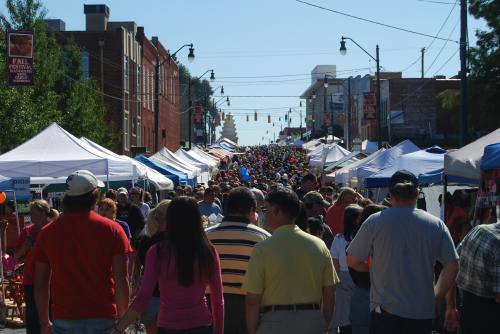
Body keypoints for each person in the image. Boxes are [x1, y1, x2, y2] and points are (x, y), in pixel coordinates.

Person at [347, 170, 459, 334]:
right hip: (422, 313)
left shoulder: (376, 221)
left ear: (390, 195)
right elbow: (453, 266)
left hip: (386, 313)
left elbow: (353, 261)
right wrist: (437, 295)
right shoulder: (436, 224)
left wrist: (379, 268)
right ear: (417, 195)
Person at [34, 170, 132, 334]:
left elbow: (41, 282)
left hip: (65, 316)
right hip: (104, 315)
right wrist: (123, 321)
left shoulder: (48, 232)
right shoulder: (113, 229)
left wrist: (44, 321)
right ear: (94, 196)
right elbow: (121, 278)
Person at [113, 196, 224, 334]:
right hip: (201, 323)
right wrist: (219, 330)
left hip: (169, 325)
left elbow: (143, 297)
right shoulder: (209, 251)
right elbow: (218, 300)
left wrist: (119, 328)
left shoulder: (157, 252)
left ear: (170, 220)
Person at [242, 189, 339, 334]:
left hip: (274, 322)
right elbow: (329, 292)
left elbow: (252, 300)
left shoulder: (262, 249)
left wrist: (252, 330)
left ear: (276, 211)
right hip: (312, 320)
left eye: (265, 208)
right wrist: (323, 322)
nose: (263, 213)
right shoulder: (319, 245)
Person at [206, 187, 270, 334]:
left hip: (210, 306)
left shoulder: (206, 236)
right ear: (252, 211)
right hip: (249, 308)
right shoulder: (263, 238)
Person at [444, 221, 500, 334]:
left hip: (466, 312)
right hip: (490, 320)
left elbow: (452, 267)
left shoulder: (478, 230)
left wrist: (450, 306)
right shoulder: (497, 244)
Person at [14, 200, 57, 334]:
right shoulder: (27, 231)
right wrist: (25, 247)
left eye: (34, 213)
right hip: (31, 279)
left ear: (44, 213)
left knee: (52, 313)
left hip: (52, 279)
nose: (31, 216)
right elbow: (16, 255)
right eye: (31, 213)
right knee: (33, 315)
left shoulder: (54, 229)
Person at [133, 200, 171, 334]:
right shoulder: (175, 242)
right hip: (169, 299)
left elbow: (136, 266)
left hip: (150, 297)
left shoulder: (145, 239)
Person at [348, 205, 387, 334]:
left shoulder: (354, 243)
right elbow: (354, 264)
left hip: (362, 296)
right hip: (370, 295)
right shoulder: (372, 244)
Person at [330, 205, 363, 334]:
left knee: (344, 320)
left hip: (343, 282)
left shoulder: (338, 239)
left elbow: (335, 265)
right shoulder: (364, 237)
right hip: (361, 278)